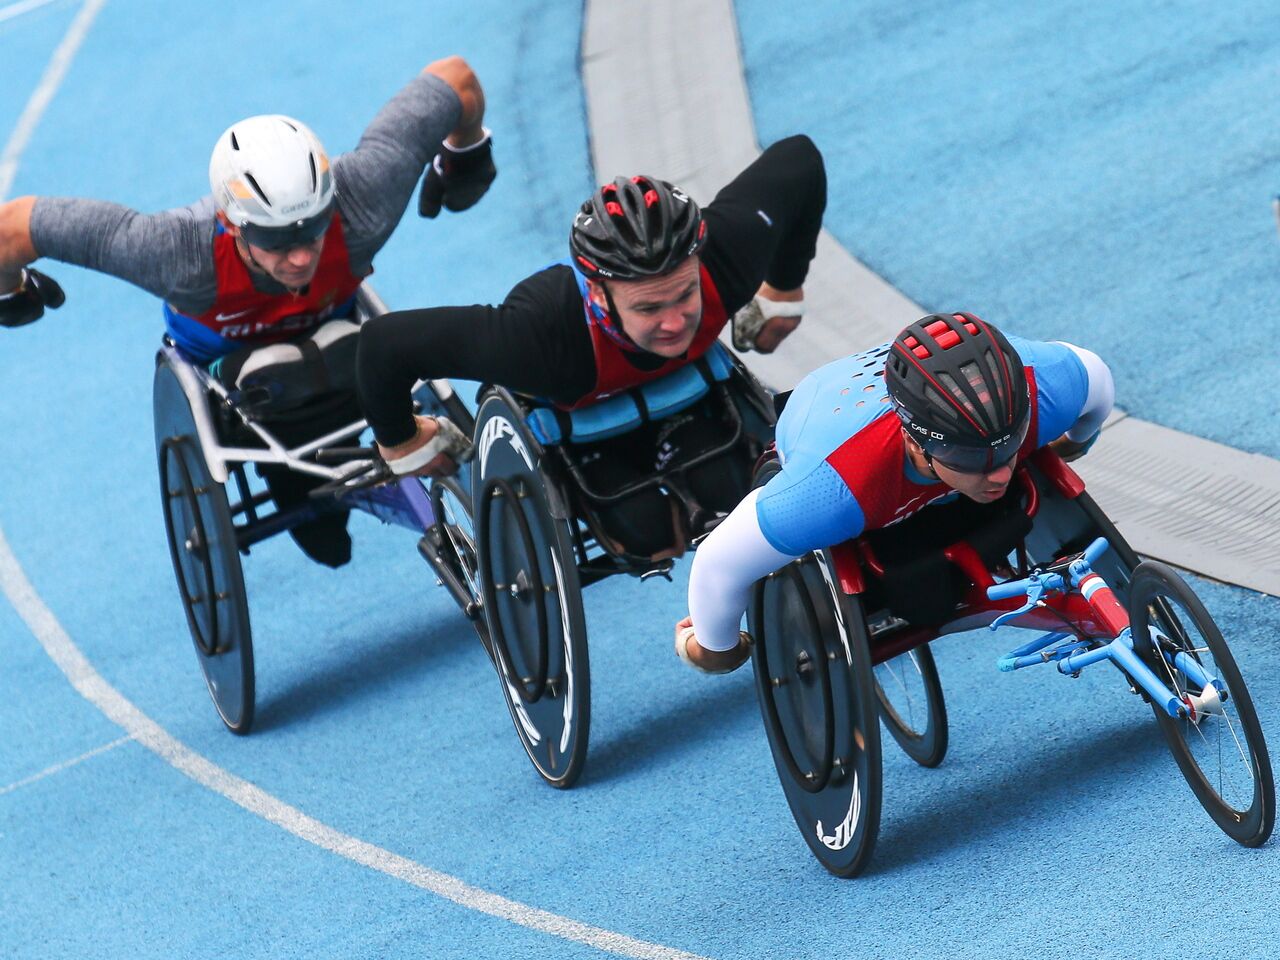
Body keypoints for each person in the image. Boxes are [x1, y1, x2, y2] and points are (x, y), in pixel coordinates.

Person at [0, 56, 494, 567]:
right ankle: (305, 494)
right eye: (278, 240)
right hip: (248, 401)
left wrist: (467, 154)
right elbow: (11, 228)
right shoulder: (174, 253)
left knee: (366, 347)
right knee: (314, 505)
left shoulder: (363, 195)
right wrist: (7, 290)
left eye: (313, 227)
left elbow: (455, 78)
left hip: (347, 356)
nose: (301, 255)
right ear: (233, 226)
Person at [356, 134, 826, 558]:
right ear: (599, 295)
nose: (674, 320)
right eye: (648, 308)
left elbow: (799, 159)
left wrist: (783, 289)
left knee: (732, 493)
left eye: (685, 294)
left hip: (690, 404)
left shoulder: (727, 257)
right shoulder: (537, 337)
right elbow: (383, 344)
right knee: (646, 535)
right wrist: (403, 441)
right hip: (578, 431)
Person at [676, 312, 1115, 673]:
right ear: (913, 442)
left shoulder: (1052, 383)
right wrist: (715, 649)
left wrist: (1073, 442)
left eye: (1009, 448)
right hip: (841, 447)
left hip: (920, 468)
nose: (999, 474)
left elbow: (1097, 381)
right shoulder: (829, 488)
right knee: (921, 593)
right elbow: (719, 563)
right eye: (968, 457)